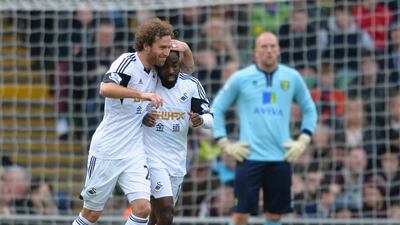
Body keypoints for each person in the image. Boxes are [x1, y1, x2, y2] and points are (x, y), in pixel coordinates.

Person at [72, 18, 174, 225]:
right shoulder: (127, 62)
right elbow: (105, 88)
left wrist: (144, 116)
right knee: (91, 214)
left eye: (168, 47)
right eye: (162, 47)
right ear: (146, 45)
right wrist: (142, 95)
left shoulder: (155, 71)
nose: (166, 52)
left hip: (134, 151)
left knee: (142, 209)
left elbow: (186, 72)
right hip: (107, 149)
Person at [212, 32, 317, 225]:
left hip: (280, 157)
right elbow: (217, 108)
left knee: (274, 216)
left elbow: (310, 109)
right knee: (240, 216)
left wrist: (303, 140)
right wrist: (224, 142)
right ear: (255, 53)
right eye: (264, 47)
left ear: (279, 50)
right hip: (249, 158)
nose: (269, 50)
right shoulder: (240, 78)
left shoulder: (292, 77)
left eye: (272, 46)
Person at [141, 50, 213, 225]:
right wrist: (143, 118)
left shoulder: (191, 85)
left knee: (156, 217)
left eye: (175, 65)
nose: (171, 71)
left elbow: (211, 119)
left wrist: (200, 119)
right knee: (166, 211)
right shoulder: (147, 83)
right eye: (166, 66)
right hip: (150, 156)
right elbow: (129, 112)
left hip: (177, 160)